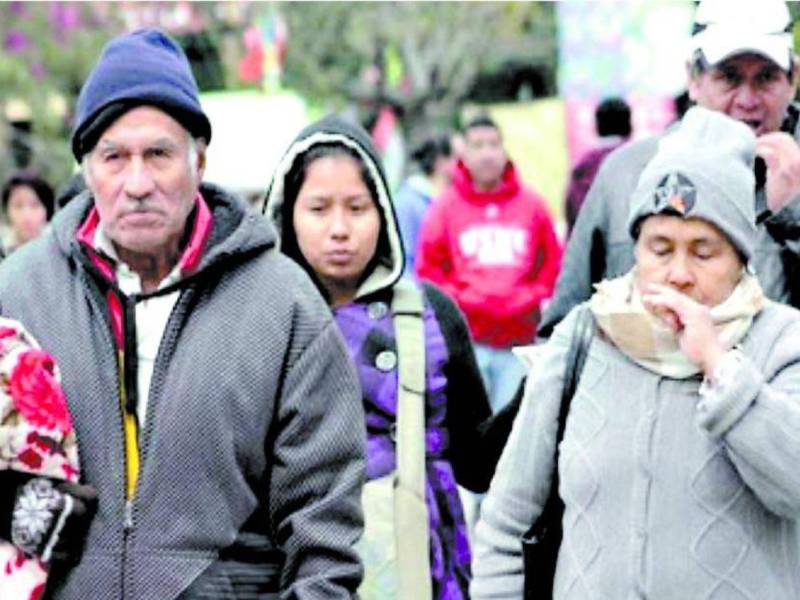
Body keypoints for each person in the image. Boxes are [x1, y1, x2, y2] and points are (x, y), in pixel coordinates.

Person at [0, 29, 366, 599]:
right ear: (86, 167)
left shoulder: (282, 304)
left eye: (159, 155)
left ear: (199, 160)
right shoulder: (19, 293)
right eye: (114, 158)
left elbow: (323, 532)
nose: (137, 183)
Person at [472, 107, 800, 599]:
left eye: (704, 251)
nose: (678, 273)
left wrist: (720, 367)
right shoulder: (584, 336)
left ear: (739, 258)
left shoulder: (779, 340)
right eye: (660, 248)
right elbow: (506, 520)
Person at [264, 114, 516, 599]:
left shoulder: (430, 316)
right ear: (286, 215)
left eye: (357, 208)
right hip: (301, 575)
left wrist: (542, 385)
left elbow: (477, 466)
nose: (340, 229)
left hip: (424, 570)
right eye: (318, 209)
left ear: (383, 212)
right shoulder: (263, 323)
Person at [539, 0, 800, 339]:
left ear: (792, 77)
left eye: (766, 78)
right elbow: (564, 330)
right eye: (729, 77)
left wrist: (791, 213)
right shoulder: (626, 175)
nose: (748, 99)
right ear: (693, 78)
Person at [416, 115, 561, 414]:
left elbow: (553, 266)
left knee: (511, 431)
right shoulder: (445, 207)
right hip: (468, 345)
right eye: (477, 145)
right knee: (471, 429)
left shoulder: (532, 205)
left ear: (504, 150)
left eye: (494, 144)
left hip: (518, 344)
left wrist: (527, 297)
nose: (487, 153)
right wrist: (462, 299)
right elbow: (428, 271)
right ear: (464, 155)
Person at [563, 97, 632, 236]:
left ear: (597, 126)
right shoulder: (638, 160)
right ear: (630, 126)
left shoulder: (583, 167)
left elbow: (573, 218)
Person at [394, 134, 455, 275]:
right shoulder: (408, 202)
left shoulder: (449, 201)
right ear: (441, 162)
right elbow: (404, 258)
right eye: (457, 158)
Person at [2, 172, 55, 253]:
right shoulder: (3, 253)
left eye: (34, 205)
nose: (26, 215)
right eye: (18, 206)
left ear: (47, 209)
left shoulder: (60, 250)